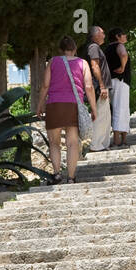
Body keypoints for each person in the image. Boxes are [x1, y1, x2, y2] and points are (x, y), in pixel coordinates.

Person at [37, 35, 97, 184]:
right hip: (72, 105)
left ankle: (57, 174)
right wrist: (94, 109)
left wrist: (40, 104)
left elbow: (45, 85)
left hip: (54, 105)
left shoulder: (53, 62)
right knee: (72, 143)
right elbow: (89, 87)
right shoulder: (83, 63)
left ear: (60, 50)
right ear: (75, 49)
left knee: (54, 143)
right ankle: (71, 177)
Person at [83, 25, 113, 150]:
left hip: (103, 86)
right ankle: (95, 145)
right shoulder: (94, 47)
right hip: (99, 87)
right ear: (95, 35)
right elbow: (95, 66)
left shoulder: (96, 48)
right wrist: (102, 86)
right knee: (100, 116)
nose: (104, 35)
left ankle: (101, 143)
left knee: (105, 117)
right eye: (102, 32)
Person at [104, 27, 131, 148]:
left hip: (113, 80)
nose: (125, 36)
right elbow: (123, 55)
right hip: (120, 80)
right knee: (120, 108)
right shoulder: (119, 45)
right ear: (117, 36)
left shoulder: (108, 48)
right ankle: (117, 139)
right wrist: (123, 67)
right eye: (123, 34)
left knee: (120, 107)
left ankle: (123, 138)